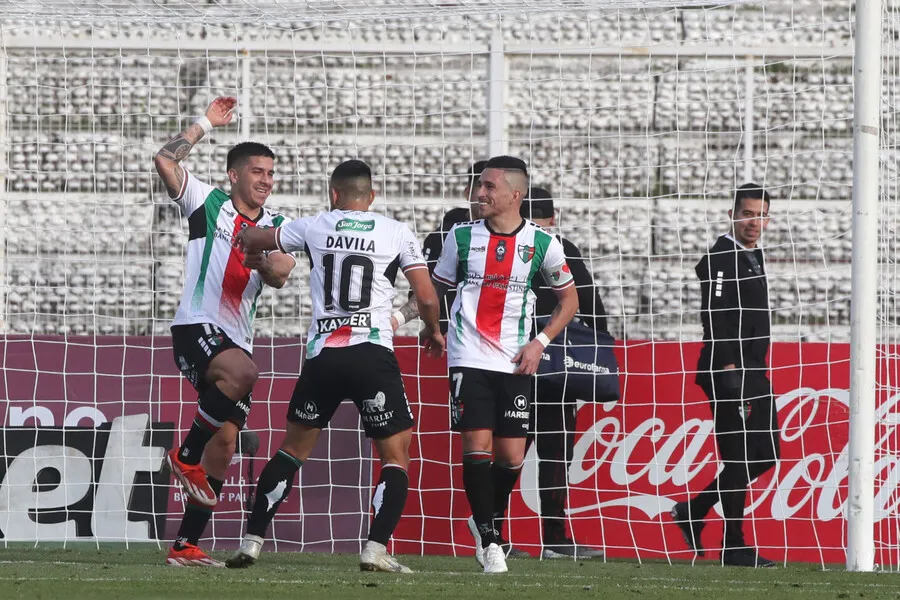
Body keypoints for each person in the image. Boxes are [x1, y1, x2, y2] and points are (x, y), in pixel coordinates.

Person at [225, 159, 444, 573]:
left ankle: (252, 541)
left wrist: (252, 248)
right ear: (371, 196)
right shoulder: (395, 231)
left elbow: (253, 235)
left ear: (333, 193)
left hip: (323, 355)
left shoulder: (314, 226)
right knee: (396, 457)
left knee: (291, 451)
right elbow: (428, 298)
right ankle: (374, 548)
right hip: (371, 355)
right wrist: (432, 330)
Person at [395, 156, 579, 573]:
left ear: (515, 194)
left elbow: (570, 301)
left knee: (512, 457)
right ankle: (491, 540)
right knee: (476, 448)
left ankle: (484, 519)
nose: (480, 193)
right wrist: (420, 324)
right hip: (468, 358)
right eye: (480, 186)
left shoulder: (544, 244)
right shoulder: (460, 238)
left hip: (516, 360)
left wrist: (540, 342)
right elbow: (434, 291)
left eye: (489, 187)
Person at [153, 96, 296, 566]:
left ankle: (185, 545)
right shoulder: (206, 200)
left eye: (271, 174)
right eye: (257, 171)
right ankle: (183, 455)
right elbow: (165, 160)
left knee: (227, 444)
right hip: (197, 325)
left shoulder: (277, 225)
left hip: (237, 335)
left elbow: (280, 273)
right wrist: (205, 123)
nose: (266, 181)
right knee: (243, 372)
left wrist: (262, 259)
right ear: (235, 175)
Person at [670, 183, 778, 568]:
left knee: (765, 454)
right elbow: (713, 316)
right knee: (738, 456)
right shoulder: (720, 257)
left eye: (761, 215)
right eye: (748, 213)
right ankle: (733, 544)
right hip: (727, 371)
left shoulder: (753, 256)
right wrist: (729, 367)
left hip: (755, 371)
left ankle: (693, 510)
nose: (754, 222)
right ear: (733, 214)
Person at [500, 186, 608, 559]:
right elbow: (593, 308)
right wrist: (595, 350)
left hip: (513, 364)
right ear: (553, 218)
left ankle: (491, 523)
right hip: (557, 370)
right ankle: (555, 538)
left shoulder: (512, 247)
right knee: (555, 453)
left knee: (514, 450)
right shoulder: (562, 249)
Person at [410, 161, 487, 335]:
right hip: (450, 336)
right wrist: (437, 326)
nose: (485, 195)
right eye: (481, 186)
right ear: (468, 193)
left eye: (493, 188)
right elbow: (422, 293)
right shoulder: (442, 237)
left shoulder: (522, 237)